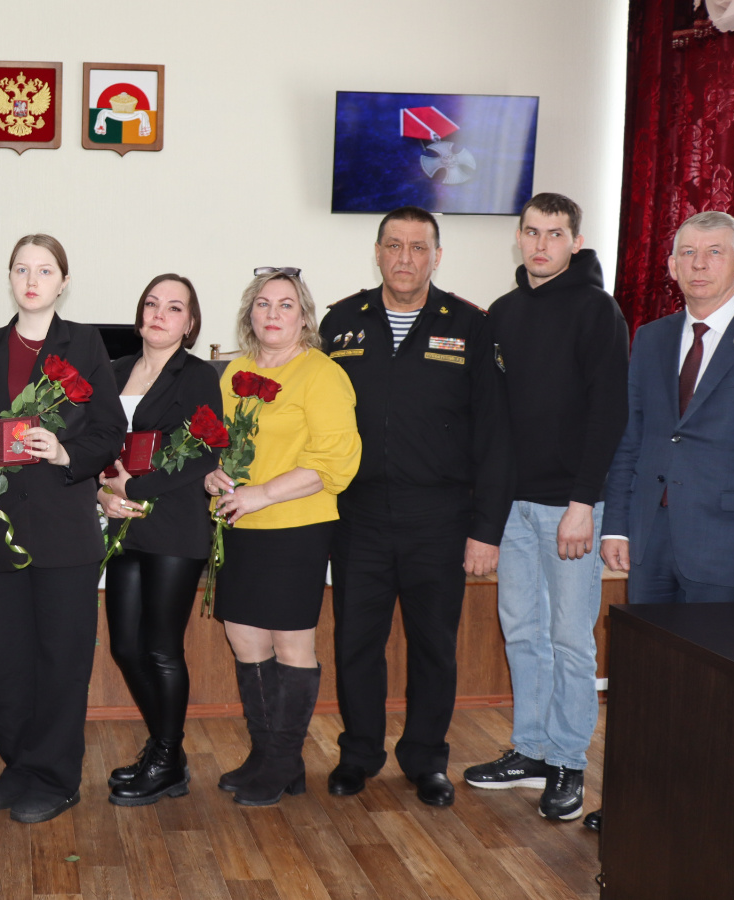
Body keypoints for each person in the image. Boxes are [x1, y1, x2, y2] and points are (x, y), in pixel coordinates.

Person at [585, 211, 734, 835]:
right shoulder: (652, 338)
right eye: (687, 252)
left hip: (732, 551)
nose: (698, 263)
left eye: (714, 252)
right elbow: (633, 436)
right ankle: (641, 801)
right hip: (652, 543)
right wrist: (617, 524)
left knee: (712, 689)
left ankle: (703, 817)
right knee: (647, 681)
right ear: (670, 265)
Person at [318, 207, 512, 807]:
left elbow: (495, 435)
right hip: (358, 515)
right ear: (377, 252)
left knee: (433, 646)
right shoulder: (341, 322)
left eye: (418, 247)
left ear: (437, 256)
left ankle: (427, 759)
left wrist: (486, 529)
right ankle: (359, 754)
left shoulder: (471, 325)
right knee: (356, 642)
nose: (405, 258)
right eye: (394, 245)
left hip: (440, 517)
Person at [462, 193, 628, 823]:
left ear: (574, 243)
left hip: (571, 507)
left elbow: (609, 412)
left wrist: (583, 502)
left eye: (554, 234)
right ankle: (530, 749)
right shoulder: (503, 312)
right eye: (532, 232)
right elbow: (494, 419)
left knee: (570, 639)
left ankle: (567, 762)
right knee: (523, 632)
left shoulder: (597, 310)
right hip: (513, 507)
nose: (541, 244)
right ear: (519, 237)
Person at [0, 234, 126, 823]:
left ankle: (56, 777)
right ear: (9, 277)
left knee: (61, 657)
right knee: (7, 659)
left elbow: (110, 431)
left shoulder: (85, 343)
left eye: (45, 270)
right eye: (22, 269)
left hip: (62, 528)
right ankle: (20, 766)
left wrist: (63, 452)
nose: (32, 281)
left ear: (63, 281)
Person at [204, 268, 361, 806]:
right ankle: (268, 755)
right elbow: (217, 441)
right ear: (249, 313)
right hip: (239, 524)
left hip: (296, 525)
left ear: (304, 316)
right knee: (244, 637)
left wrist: (263, 494)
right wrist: (213, 474)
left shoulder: (322, 374)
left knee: (292, 643)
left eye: (286, 304)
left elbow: (335, 462)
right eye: (263, 304)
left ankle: (282, 760)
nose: (273, 313)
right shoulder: (235, 371)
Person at [97, 273, 221, 806]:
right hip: (123, 523)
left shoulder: (197, 375)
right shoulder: (114, 370)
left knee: (161, 648)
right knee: (126, 646)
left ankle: (166, 759)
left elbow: (205, 451)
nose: (159, 314)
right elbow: (96, 442)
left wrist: (135, 488)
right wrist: (103, 492)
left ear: (190, 324)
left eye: (174, 307)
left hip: (174, 524)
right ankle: (167, 753)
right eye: (152, 303)